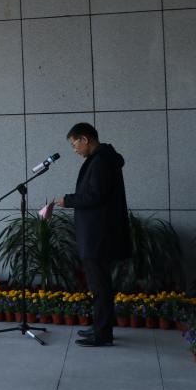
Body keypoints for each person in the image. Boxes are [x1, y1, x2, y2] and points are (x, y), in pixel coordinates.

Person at [54, 123, 130, 348]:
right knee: (100, 284)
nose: (74, 149)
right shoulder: (102, 159)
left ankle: (102, 334)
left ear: (85, 139)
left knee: (100, 286)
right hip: (99, 233)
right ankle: (101, 327)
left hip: (97, 235)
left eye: (74, 144)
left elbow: (95, 196)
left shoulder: (101, 161)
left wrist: (68, 200)